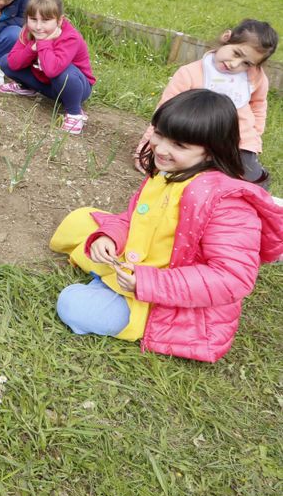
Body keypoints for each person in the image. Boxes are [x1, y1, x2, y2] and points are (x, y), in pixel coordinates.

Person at [51, 89, 283, 363]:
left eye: (179, 145)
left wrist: (148, 283)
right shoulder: (167, 173)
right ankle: (104, 276)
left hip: (166, 299)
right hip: (137, 262)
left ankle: (118, 301)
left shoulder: (228, 204)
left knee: (73, 304)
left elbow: (232, 278)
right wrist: (111, 238)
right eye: (159, 134)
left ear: (212, 150)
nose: (161, 149)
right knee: (81, 220)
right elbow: (135, 219)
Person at [134, 19, 277, 189]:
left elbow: (259, 107)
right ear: (226, 37)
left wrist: (255, 136)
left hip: (238, 142)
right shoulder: (190, 73)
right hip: (195, 139)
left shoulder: (254, 78)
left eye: (247, 63)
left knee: (252, 184)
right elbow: (164, 113)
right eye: (236, 53)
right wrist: (146, 149)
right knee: (185, 178)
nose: (235, 64)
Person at [0, 0, 95, 135]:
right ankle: (28, 87)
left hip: (75, 87)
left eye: (45, 20)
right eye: (33, 19)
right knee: (5, 61)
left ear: (59, 21)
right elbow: (13, 63)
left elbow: (52, 70)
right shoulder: (28, 31)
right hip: (45, 83)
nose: (38, 27)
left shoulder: (70, 37)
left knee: (63, 74)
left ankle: (75, 113)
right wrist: (32, 48)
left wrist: (44, 43)